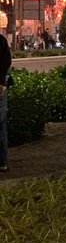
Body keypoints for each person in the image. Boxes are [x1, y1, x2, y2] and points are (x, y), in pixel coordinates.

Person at [0, 32, 12, 172]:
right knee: (1, 126)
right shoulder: (1, 40)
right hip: (1, 88)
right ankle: (2, 162)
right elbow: (7, 62)